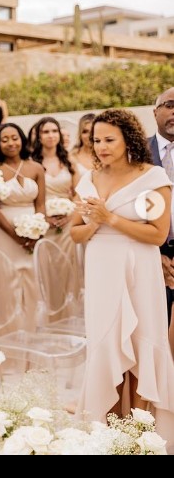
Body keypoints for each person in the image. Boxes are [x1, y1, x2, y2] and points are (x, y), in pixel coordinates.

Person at [71, 109, 174, 450]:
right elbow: (75, 233)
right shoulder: (88, 180)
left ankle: (142, 434)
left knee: (142, 339)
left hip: (140, 268)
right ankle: (110, 432)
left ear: (128, 139)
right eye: (96, 140)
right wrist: (95, 223)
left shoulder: (153, 177)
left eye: (108, 139)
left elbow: (158, 235)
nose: (100, 146)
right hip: (101, 268)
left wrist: (109, 218)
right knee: (108, 342)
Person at [0, 123, 46, 331]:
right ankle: (8, 334)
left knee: (32, 284)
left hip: (34, 236)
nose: (11, 143)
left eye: (15, 137)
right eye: (5, 140)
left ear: (22, 139)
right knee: (6, 284)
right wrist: (17, 236)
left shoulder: (36, 168)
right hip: (5, 235)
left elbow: (41, 204)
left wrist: (37, 232)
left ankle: (32, 331)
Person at [31, 117, 79, 278]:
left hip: (68, 222)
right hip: (42, 223)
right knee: (47, 269)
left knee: (68, 267)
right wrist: (43, 218)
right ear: (38, 136)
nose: (51, 135)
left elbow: (78, 193)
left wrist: (70, 215)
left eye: (54, 131)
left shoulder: (69, 160)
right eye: (45, 132)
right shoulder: (32, 162)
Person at [148, 87, 174, 339]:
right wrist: (154, 252)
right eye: (170, 104)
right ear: (154, 112)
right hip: (151, 257)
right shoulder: (136, 154)